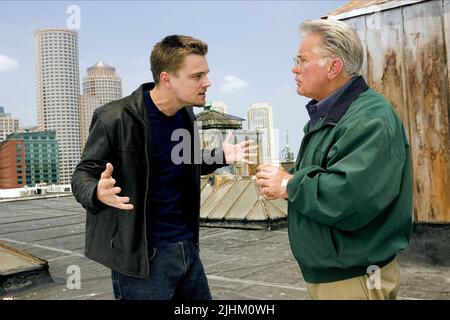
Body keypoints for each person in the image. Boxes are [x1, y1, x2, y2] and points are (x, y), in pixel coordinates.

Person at [71, 35, 256, 300]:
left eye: (206, 74)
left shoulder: (184, 115)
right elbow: (82, 174)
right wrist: (97, 192)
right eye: (197, 76)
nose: (207, 82)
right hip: (143, 260)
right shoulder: (115, 117)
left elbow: (183, 160)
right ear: (167, 79)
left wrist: (221, 155)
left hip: (186, 250)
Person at [255, 19, 413, 300]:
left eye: (301, 60)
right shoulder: (330, 116)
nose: (294, 68)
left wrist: (289, 185)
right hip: (337, 275)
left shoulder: (369, 118)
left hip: (355, 280)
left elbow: (351, 197)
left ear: (333, 67)